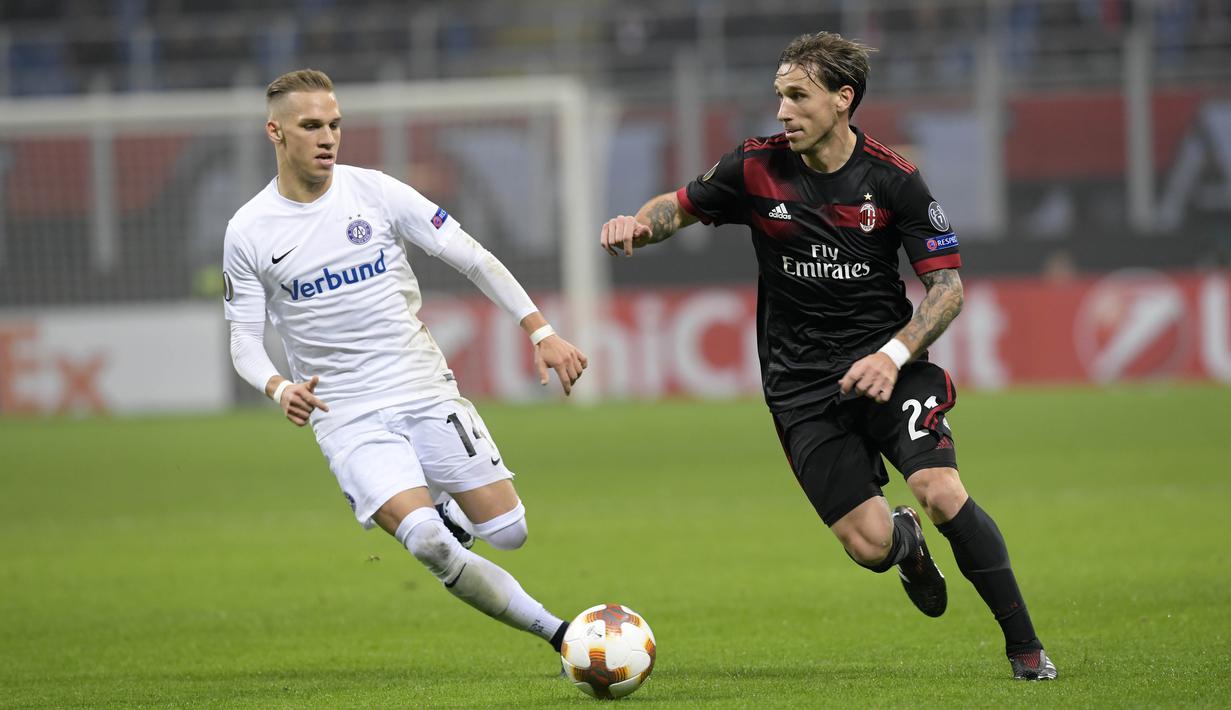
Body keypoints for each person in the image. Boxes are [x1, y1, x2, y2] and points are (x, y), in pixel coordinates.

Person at [600, 32, 1056, 681]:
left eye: (797, 96)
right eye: (779, 96)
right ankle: (905, 544)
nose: (782, 111)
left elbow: (948, 290)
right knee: (869, 546)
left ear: (843, 99)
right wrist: (638, 226)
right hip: (801, 385)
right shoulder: (753, 167)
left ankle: (1025, 649)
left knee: (939, 489)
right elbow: (675, 208)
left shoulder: (893, 180)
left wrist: (893, 355)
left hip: (890, 369)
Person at [223, 69, 587, 662]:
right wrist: (278, 386)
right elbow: (243, 340)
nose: (327, 138)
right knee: (430, 545)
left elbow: (472, 256)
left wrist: (540, 331)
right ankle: (563, 636)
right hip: (344, 413)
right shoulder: (248, 230)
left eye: (334, 125)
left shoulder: (376, 192)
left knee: (509, 533)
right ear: (276, 132)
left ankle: (444, 505)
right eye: (311, 126)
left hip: (421, 384)